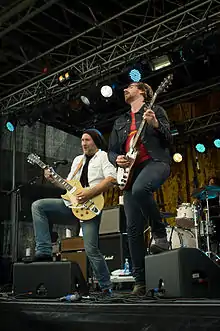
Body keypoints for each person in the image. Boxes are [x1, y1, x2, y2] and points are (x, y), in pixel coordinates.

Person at [25, 129, 117, 294]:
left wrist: (90, 192)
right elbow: (68, 186)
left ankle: (106, 287)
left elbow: (111, 179)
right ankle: (44, 251)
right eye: (82, 140)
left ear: (95, 141)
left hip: (90, 206)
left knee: (91, 250)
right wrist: (53, 179)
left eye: (87, 140)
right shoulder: (77, 160)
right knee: (38, 206)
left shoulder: (103, 156)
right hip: (70, 204)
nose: (83, 143)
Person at [108, 82, 172, 295]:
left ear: (143, 91)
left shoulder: (156, 111)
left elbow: (168, 138)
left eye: (131, 87)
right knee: (133, 230)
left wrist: (154, 123)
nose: (125, 89)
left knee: (140, 190)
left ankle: (159, 232)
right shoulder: (120, 121)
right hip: (129, 173)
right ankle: (140, 281)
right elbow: (111, 151)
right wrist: (116, 159)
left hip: (155, 162)